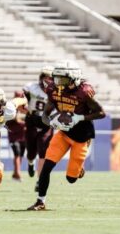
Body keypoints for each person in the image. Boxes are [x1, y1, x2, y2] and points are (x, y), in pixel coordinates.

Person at [27, 60, 106, 210]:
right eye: (57, 78)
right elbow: (46, 113)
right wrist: (51, 122)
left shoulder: (83, 92)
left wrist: (79, 117)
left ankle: (78, 170)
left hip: (82, 138)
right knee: (46, 168)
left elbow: (101, 113)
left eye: (62, 79)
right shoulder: (53, 89)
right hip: (63, 134)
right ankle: (40, 202)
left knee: (71, 179)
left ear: (74, 78)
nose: (58, 83)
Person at [23, 65, 54, 191]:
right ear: (41, 78)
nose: (48, 80)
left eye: (50, 78)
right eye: (46, 77)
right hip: (32, 120)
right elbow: (21, 97)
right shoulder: (31, 87)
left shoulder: (56, 91)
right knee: (31, 152)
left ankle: (39, 181)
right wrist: (23, 102)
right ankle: (30, 164)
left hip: (46, 122)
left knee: (43, 152)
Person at [6, 91, 27, 182]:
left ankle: (15, 173)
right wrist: (25, 122)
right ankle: (18, 173)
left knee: (20, 155)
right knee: (17, 153)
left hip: (23, 136)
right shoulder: (11, 108)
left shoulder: (25, 108)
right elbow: (17, 120)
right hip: (14, 135)